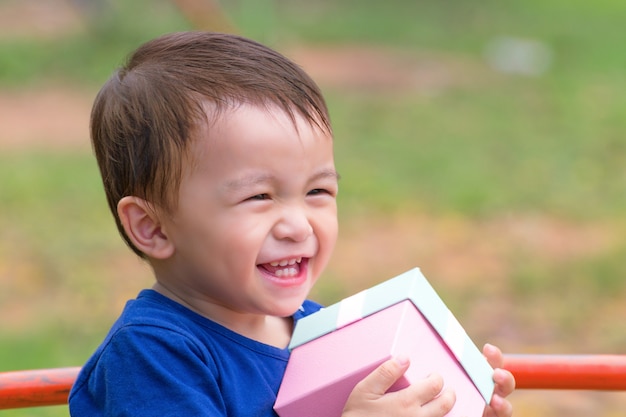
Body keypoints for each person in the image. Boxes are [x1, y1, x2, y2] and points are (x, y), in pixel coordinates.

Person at [68, 31, 514, 416]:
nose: (297, 226)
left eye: (318, 191)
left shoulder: (319, 330)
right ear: (154, 228)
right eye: (259, 197)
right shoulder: (152, 355)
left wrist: (453, 403)